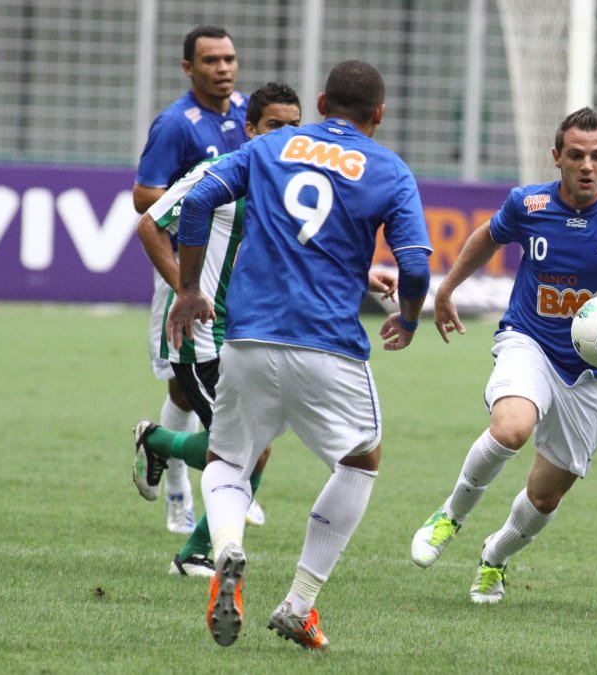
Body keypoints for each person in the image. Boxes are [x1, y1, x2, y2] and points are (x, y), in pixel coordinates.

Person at [167, 59, 432, 650]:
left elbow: (197, 201)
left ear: (320, 104)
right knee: (360, 461)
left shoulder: (270, 146)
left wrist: (188, 289)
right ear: (379, 114)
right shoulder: (389, 169)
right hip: (328, 345)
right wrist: (410, 318)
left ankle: (226, 545)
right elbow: (414, 265)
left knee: (227, 459)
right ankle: (299, 603)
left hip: (248, 338)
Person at [408, 107, 597, 604]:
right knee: (511, 428)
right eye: (576, 156)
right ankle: (450, 516)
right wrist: (447, 288)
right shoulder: (527, 203)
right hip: (528, 341)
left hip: (592, 376)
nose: (587, 166)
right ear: (557, 157)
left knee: (545, 495)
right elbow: (488, 236)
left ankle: (494, 558)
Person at [131, 82, 303, 578]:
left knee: (246, 447)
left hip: (250, 336)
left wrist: (364, 276)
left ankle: (158, 441)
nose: (284, 136)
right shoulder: (217, 174)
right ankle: (193, 553)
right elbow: (149, 224)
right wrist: (185, 290)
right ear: (250, 129)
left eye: (294, 127)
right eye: (273, 126)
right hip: (202, 337)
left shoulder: (292, 186)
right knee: (250, 450)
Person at [133, 25, 249, 535]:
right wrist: (200, 197)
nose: (223, 68)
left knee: (218, 381)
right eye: (210, 60)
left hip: (234, 272)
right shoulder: (176, 124)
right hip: (187, 270)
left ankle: (226, 476)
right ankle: (183, 494)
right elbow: (145, 197)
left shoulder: (247, 112)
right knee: (186, 388)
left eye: (229, 59)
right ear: (188, 68)